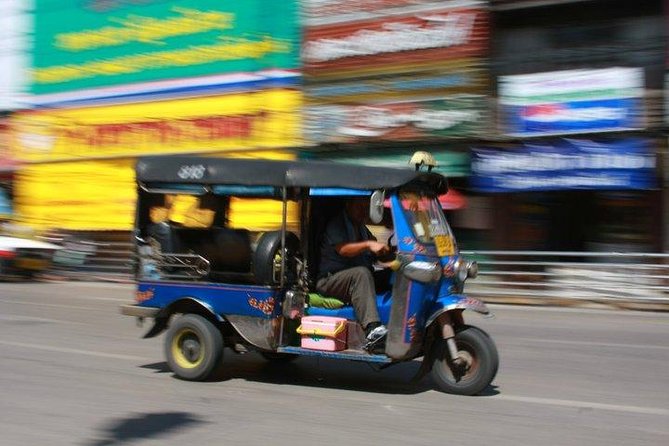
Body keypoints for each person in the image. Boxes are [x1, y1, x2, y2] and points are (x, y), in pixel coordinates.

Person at [316, 197, 391, 346]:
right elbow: (344, 250)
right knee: (362, 273)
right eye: (359, 206)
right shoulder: (336, 224)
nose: (363, 211)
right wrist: (369, 245)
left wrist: (387, 252)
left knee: (390, 275)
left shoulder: (362, 228)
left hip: (352, 278)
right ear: (348, 205)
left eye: (365, 207)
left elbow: (375, 250)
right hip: (330, 280)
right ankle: (372, 329)